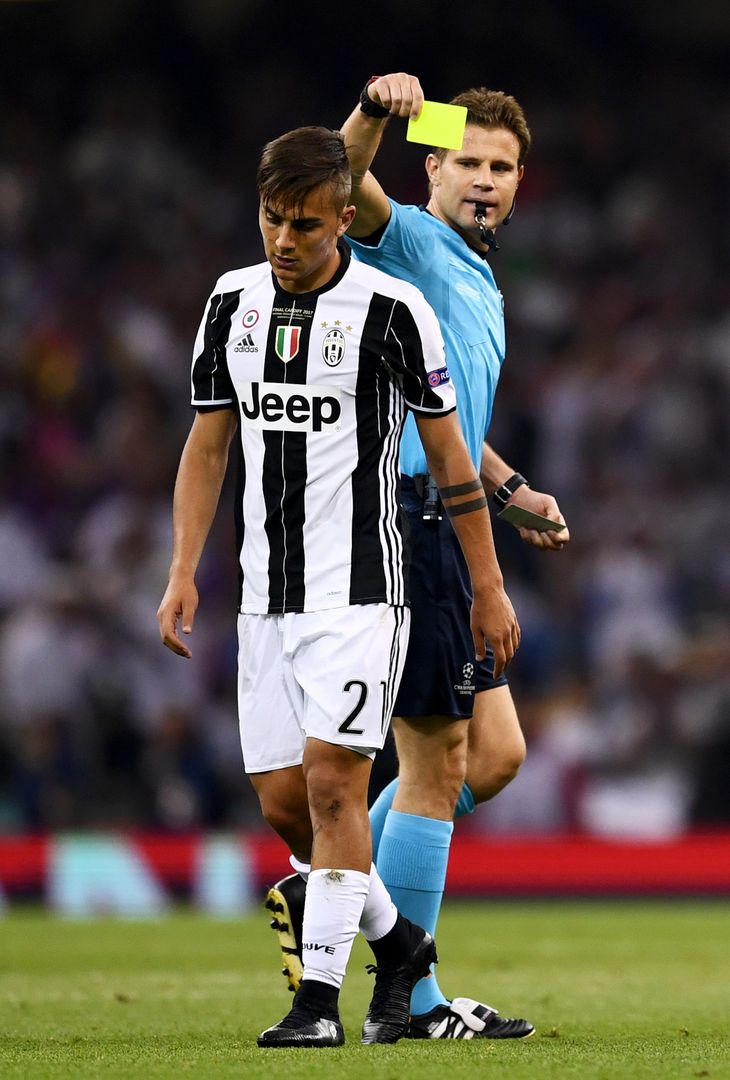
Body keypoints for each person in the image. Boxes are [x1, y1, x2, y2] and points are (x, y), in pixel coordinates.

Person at [157, 125, 520, 1048]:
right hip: (262, 594)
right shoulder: (229, 302)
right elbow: (208, 444)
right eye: (273, 220)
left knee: (337, 788)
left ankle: (319, 1007)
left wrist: (489, 580)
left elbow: (447, 454)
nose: (285, 240)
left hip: (366, 587)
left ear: (341, 221)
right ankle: (399, 946)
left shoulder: (393, 307)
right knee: (286, 803)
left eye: (307, 225)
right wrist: (181, 569)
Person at [266, 74, 569, 1040]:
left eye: (502, 167)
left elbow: (449, 416)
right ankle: (415, 1000)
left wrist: (514, 494)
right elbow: (337, 184)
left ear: (521, 183)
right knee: (438, 762)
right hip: (408, 521)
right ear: (432, 167)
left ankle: (335, 884)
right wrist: (378, 106)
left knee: (501, 754)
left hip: (444, 509)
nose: (485, 180)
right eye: (467, 162)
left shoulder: (472, 274)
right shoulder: (408, 240)